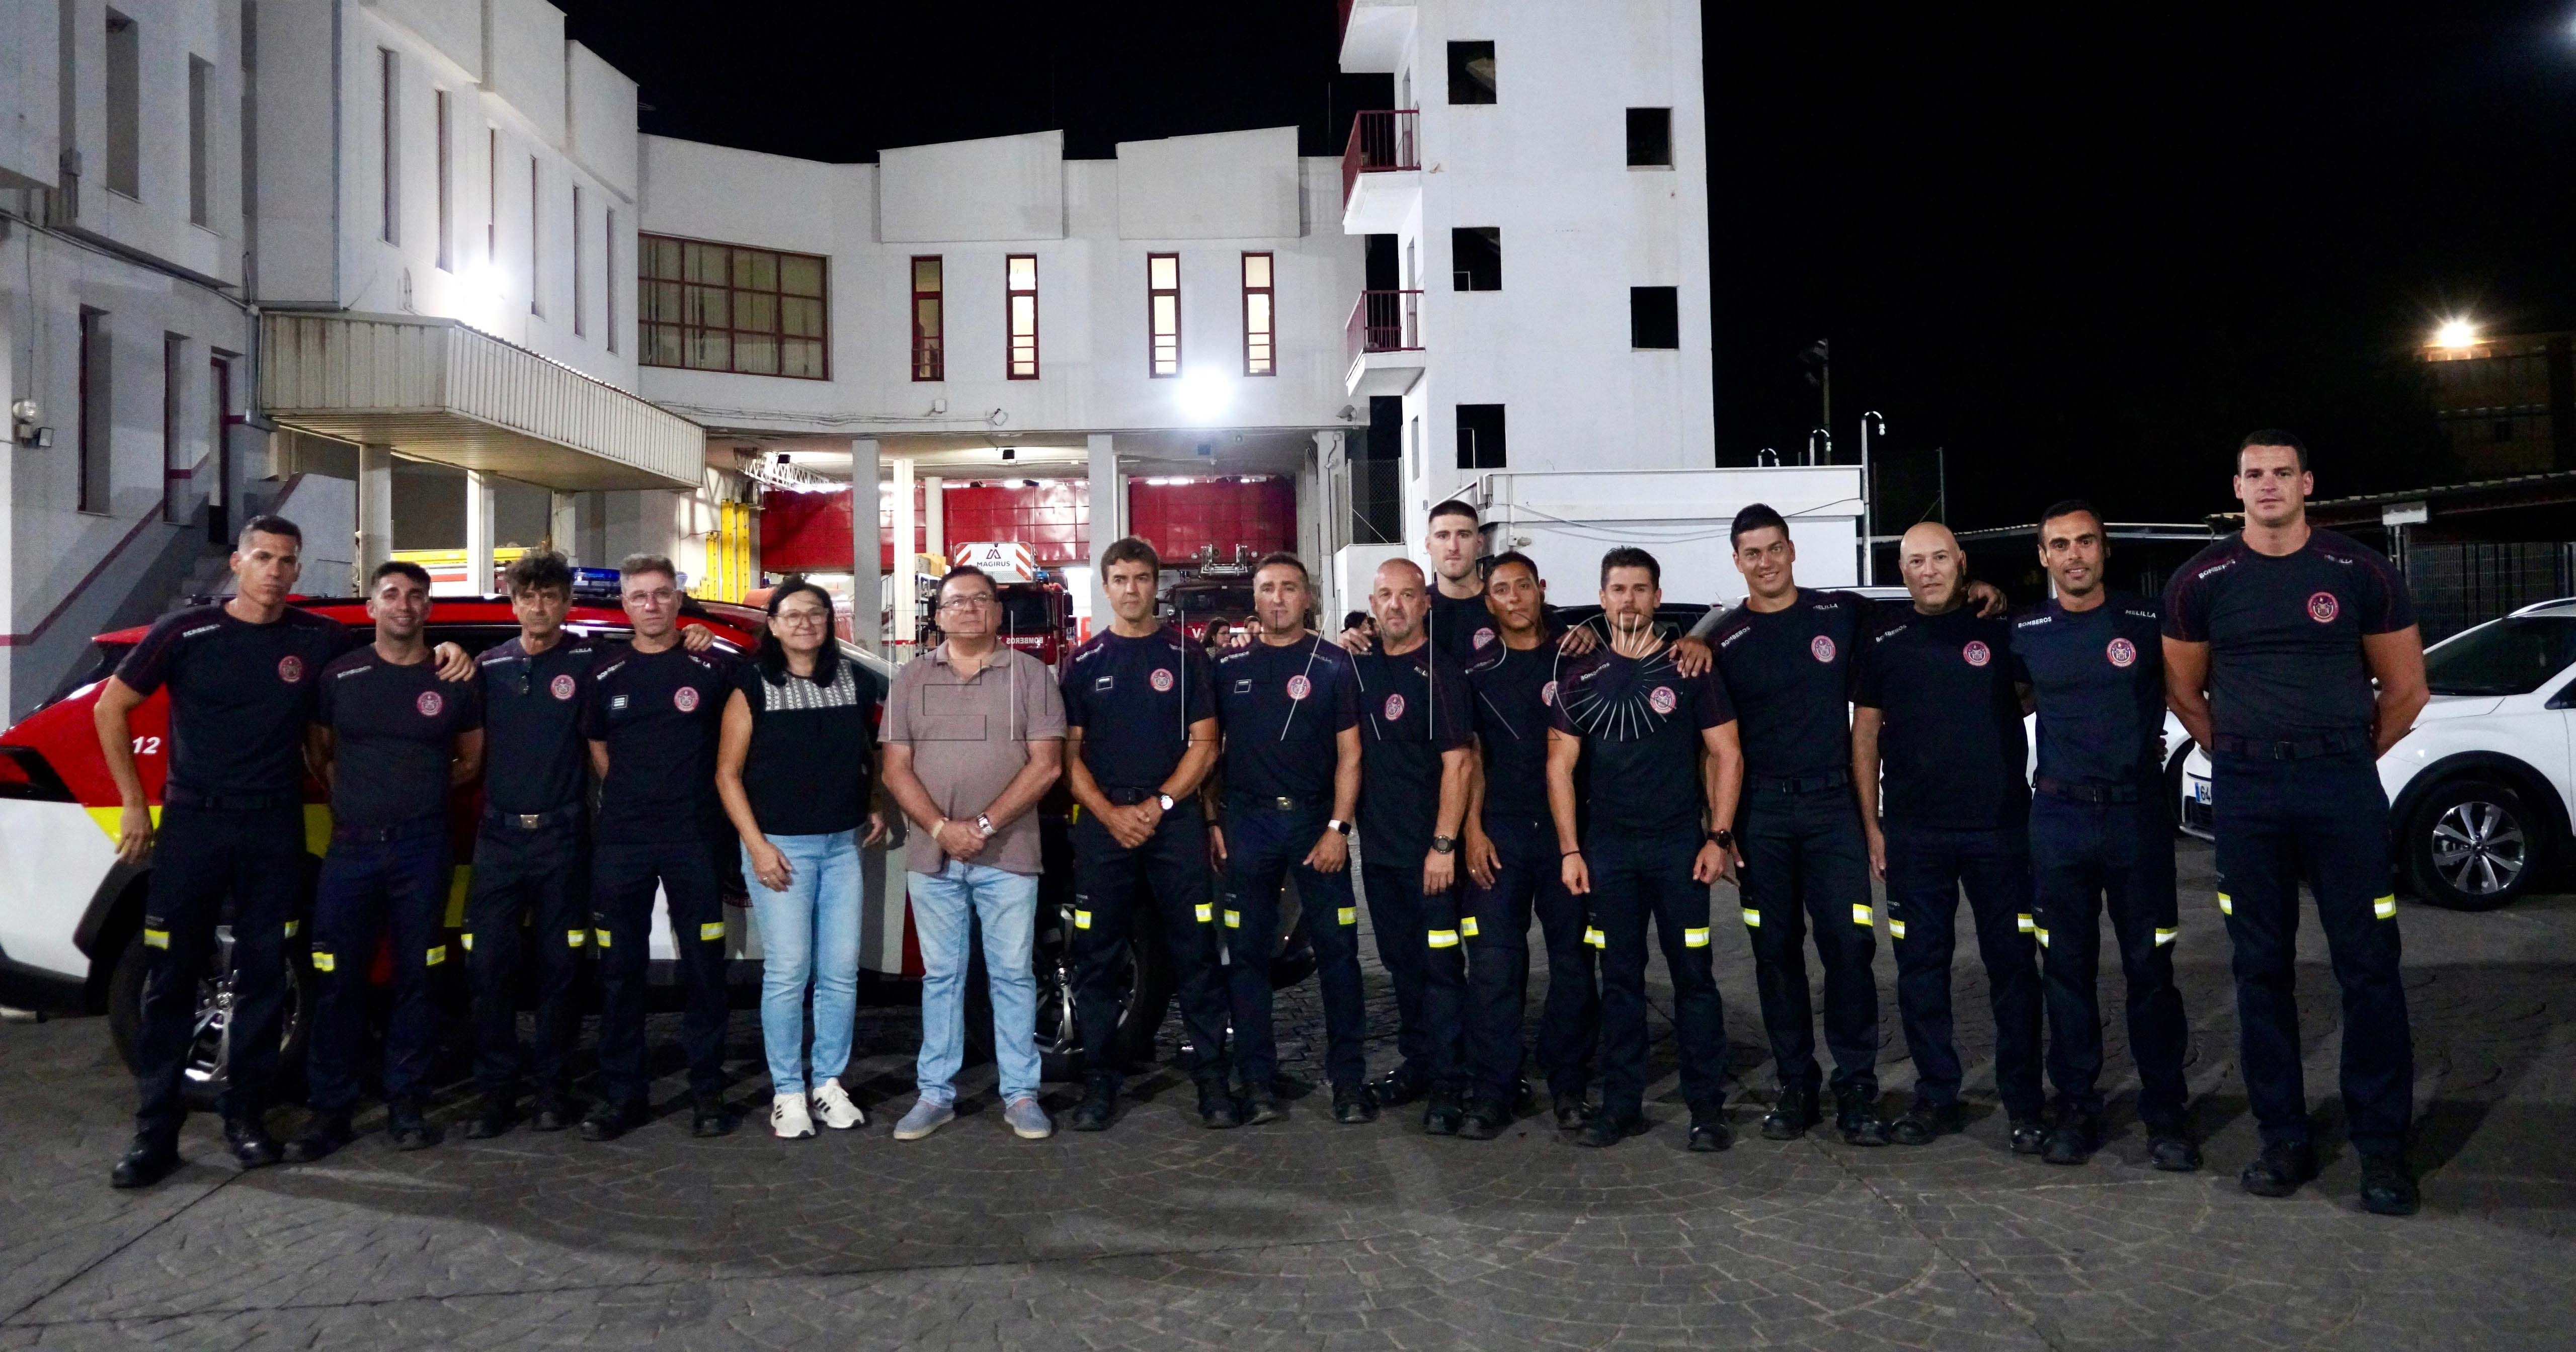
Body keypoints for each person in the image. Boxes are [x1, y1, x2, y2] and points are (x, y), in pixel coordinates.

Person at [97, 516, 470, 1189]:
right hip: (193, 824)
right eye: (263, 557)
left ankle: (247, 1118)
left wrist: (450, 646)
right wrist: (131, 801)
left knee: (266, 979)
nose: (274, 569)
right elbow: (109, 708)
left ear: (299, 571)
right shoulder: (183, 633)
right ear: (237, 562)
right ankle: (154, 1134)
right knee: (173, 979)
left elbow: (392, 648)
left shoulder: (318, 638)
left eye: (287, 560)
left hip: (273, 827)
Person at [2164, 430, 2428, 1215]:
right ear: (2237, 487)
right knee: (2259, 969)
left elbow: (2407, 690)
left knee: (2369, 966)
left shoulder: (2358, 571)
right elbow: (2185, 695)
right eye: (2255, 474)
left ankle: (2382, 1149)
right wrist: (2249, 756)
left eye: (2283, 472)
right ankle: (2283, 1137)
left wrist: (2339, 754)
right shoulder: (2200, 579)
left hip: (2340, 787)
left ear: (2308, 482)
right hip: (2248, 792)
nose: (2269, 485)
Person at [2013, 501, 2197, 1171]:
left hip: (2135, 818)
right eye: (2058, 544)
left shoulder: (2148, 622)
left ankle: (2166, 1114)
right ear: (2043, 556)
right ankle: (2077, 1109)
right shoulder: (2024, 630)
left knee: (2151, 970)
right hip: (2058, 820)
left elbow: (2192, 692)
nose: (2074, 555)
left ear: (2105, 549)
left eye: (2086, 542)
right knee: (2064, 971)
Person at [1852, 524, 2044, 1152]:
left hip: (2000, 832)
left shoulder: (2001, 627)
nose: (1928, 570)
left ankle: (2024, 1103)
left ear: (1960, 562)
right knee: (1919, 971)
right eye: (1915, 561)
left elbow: (2051, 692)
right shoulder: (1882, 640)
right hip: (1914, 836)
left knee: (2013, 969)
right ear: (1900, 570)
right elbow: (1864, 738)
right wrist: (1872, 826)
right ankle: (1936, 1094)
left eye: (1939, 558)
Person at [1703, 503, 1889, 1145]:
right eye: (1750, 553)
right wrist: (1720, 831)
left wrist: (1981, 591)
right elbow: (1711, 746)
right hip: (1762, 818)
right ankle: (1795, 1084)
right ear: (1736, 562)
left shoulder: (1837, 613)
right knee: (1773, 954)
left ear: (1791, 550)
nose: (1764, 562)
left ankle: (1857, 1087)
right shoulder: (1721, 641)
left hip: (1832, 807)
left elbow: (1920, 611)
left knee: (1849, 948)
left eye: (1773, 548)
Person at [1548, 546, 1743, 1151]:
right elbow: (1559, 766)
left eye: (1639, 589)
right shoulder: (1577, 677)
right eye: (1617, 589)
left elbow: (1726, 753)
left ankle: (1705, 1108)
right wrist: (1570, 851)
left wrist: (1718, 837)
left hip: (1678, 851)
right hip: (1608, 853)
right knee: (1621, 981)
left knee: (1694, 978)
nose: (1628, 599)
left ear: (1656, 598)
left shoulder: (1689, 669)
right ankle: (1621, 1105)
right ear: (1602, 598)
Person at [287, 562, 484, 1160]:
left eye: (416, 596)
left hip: (423, 849)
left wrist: (416, 793)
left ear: (429, 608)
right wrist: (357, 795)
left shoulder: (452, 677)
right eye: (392, 594)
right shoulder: (341, 676)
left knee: (417, 982)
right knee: (337, 981)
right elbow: (319, 752)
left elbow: (471, 760)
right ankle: (330, 1110)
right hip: (350, 850)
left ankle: (406, 1105)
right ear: (372, 606)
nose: (404, 604)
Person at [880, 566, 1066, 1143]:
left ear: (996, 612)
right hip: (933, 858)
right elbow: (894, 768)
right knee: (942, 977)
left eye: (979, 600)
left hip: (1009, 854)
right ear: (937, 616)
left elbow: (1048, 765)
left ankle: (1021, 1094)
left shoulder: (1032, 677)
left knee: (1012, 975)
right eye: (955, 602)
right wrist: (940, 828)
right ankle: (935, 1094)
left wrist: (982, 825)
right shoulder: (909, 680)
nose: (967, 609)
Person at [1058, 537, 1233, 1131]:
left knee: (1196, 953)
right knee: (1097, 958)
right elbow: (1068, 757)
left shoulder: (1187, 658)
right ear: (1104, 587)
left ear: (1155, 584)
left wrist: (1159, 805)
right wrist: (1109, 814)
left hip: (1172, 824)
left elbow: (1205, 744)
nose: (1131, 589)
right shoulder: (1083, 664)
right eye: (1120, 579)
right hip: (1104, 829)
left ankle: (1212, 1080)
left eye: (1141, 578)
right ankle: (1101, 1082)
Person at [715, 578, 886, 1140]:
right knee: (789, 972)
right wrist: (757, 846)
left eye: (815, 613)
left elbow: (871, 753)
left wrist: (876, 802)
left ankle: (829, 1083)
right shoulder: (751, 685)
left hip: (842, 846)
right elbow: (727, 774)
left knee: (839, 973)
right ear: (774, 624)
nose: (805, 623)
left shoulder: (853, 681)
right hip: (780, 851)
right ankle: (788, 1091)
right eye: (792, 615)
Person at [1209, 552, 1376, 1125]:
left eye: (1288, 588)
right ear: (1253, 600)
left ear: (1307, 598)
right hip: (1248, 827)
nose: (1277, 598)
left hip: (1315, 826)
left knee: (1338, 954)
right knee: (1247, 958)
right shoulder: (1228, 670)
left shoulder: (1333, 666)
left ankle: (1349, 1080)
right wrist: (1214, 821)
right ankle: (1256, 1080)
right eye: (1266, 589)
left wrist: (1338, 828)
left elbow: (1351, 755)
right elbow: (1210, 752)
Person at [581, 554, 742, 1142]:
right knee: (619, 973)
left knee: (704, 971)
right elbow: (600, 751)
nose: (650, 605)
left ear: (678, 600)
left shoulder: (712, 666)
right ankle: (621, 1096)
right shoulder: (605, 672)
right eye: (638, 596)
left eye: (661, 594)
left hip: (693, 840)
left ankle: (707, 1093)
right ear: (624, 605)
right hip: (622, 842)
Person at [1461, 551, 1601, 1133]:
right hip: (1499, 833)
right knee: (1494, 965)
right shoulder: (1474, 670)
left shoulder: (1577, 659)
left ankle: (1568, 1083)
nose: (1514, 598)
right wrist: (1470, 831)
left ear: (1541, 589)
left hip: (1569, 836)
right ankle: (1497, 1087)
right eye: (1502, 590)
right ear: (1488, 601)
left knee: (1573, 961)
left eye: (1523, 586)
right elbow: (1468, 756)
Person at [1349, 559, 1477, 1133]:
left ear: (1425, 603)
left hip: (1432, 861)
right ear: (1372, 606)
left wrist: (1444, 846)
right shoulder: (1361, 670)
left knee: (1441, 968)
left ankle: (1452, 1082)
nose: (1395, 605)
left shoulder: (1440, 673)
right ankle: (1419, 1063)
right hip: (1379, 857)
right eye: (1384, 596)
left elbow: (1460, 764)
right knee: (1402, 966)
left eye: (1406, 595)